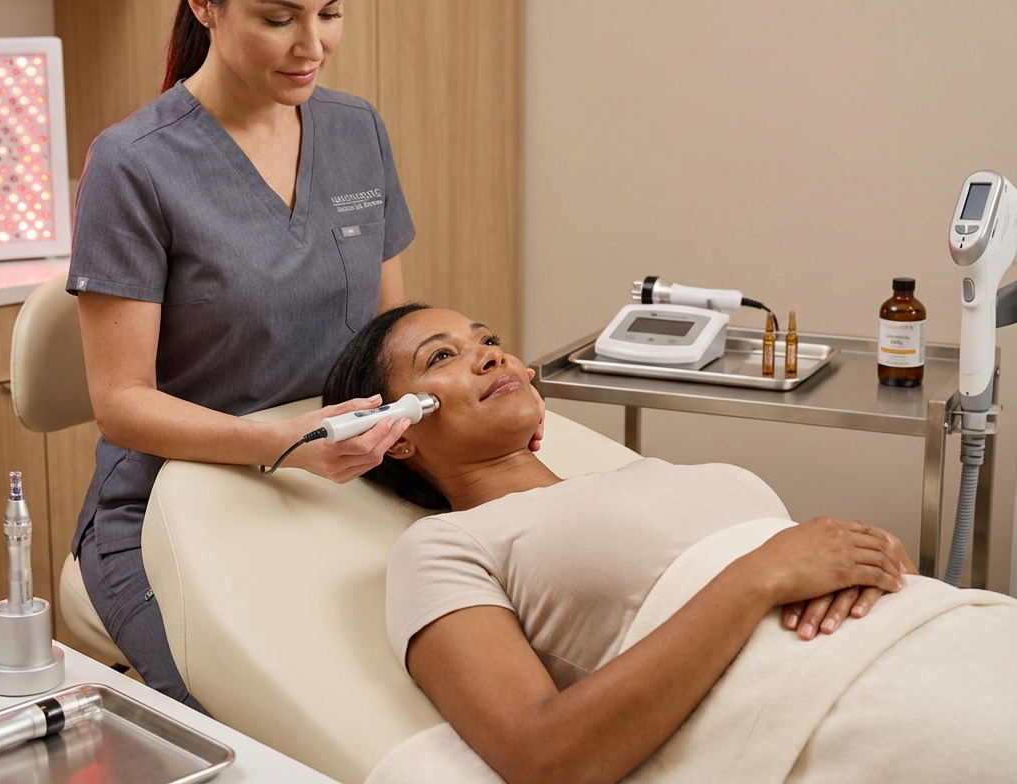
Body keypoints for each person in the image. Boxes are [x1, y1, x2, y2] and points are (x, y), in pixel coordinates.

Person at [323, 304, 1017, 784]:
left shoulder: (638, 476)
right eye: (442, 356)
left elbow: (795, 564)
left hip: (942, 634)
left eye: (486, 339)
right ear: (399, 430)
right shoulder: (444, 546)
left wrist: (869, 557)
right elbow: (543, 758)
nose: (487, 355)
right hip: (850, 710)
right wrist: (760, 576)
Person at [66, 0, 418, 712]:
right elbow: (121, 405)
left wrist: (463, 391)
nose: (313, 45)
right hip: (170, 509)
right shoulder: (133, 166)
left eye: (331, 12)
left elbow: (387, 337)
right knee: (266, 723)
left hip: (333, 485)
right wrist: (277, 444)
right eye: (279, 17)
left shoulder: (354, 129)